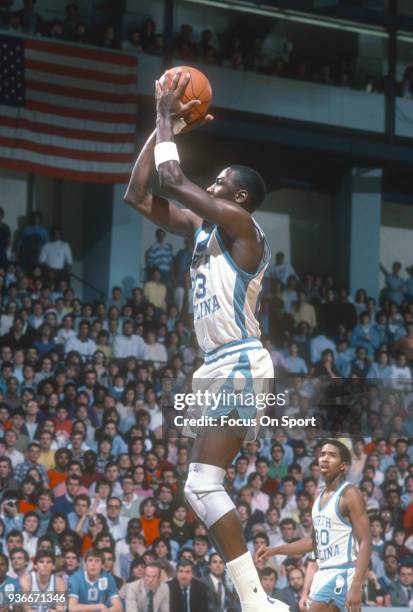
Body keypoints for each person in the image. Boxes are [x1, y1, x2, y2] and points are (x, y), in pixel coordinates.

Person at [124, 69, 289, 612]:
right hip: (217, 364)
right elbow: (138, 193)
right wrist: (162, 127)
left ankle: (257, 600)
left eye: (218, 182)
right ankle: (258, 601)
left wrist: (167, 120)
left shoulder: (243, 227)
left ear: (237, 196)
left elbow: (172, 179)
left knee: (202, 485)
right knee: (199, 487)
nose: (211, 185)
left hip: (241, 361)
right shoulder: (202, 231)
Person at [256, 440, 372, 612]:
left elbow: (366, 541)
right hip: (323, 573)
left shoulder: (349, 494)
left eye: (332, 455)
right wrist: (274, 550)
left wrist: (356, 585)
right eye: (322, 454)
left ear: (343, 466)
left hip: (342, 574)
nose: (325, 458)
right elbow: (311, 543)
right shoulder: (318, 499)